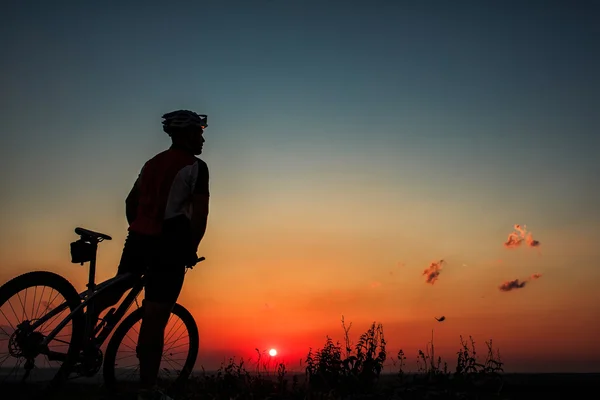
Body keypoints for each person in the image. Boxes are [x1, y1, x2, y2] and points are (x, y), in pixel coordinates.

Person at [90, 110, 210, 400]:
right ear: (184, 135)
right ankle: (148, 390)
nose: (202, 138)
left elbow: (131, 202)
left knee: (115, 290)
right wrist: (191, 248)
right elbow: (199, 215)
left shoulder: (151, 163)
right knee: (155, 317)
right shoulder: (196, 166)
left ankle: (81, 341)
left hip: (138, 238)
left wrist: (139, 227)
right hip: (170, 245)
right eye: (198, 132)